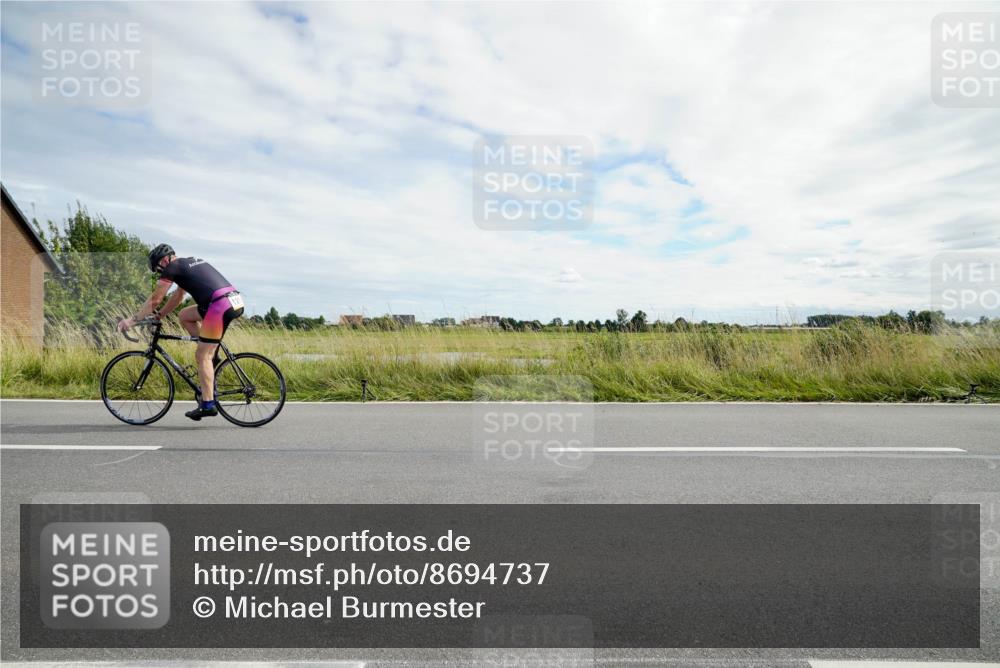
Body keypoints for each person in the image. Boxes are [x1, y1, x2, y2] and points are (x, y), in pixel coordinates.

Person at [118, 244, 245, 420]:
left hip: (218, 305)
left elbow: (155, 299)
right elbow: (178, 296)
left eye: (157, 268)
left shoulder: (171, 268)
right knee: (185, 315)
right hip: (231, 301)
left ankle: (208, 404)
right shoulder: (186, 264)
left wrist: (132, 320)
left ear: (164, 260)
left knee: (202, 356)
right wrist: (160, 315)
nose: (159, 272)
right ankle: (211, 355)